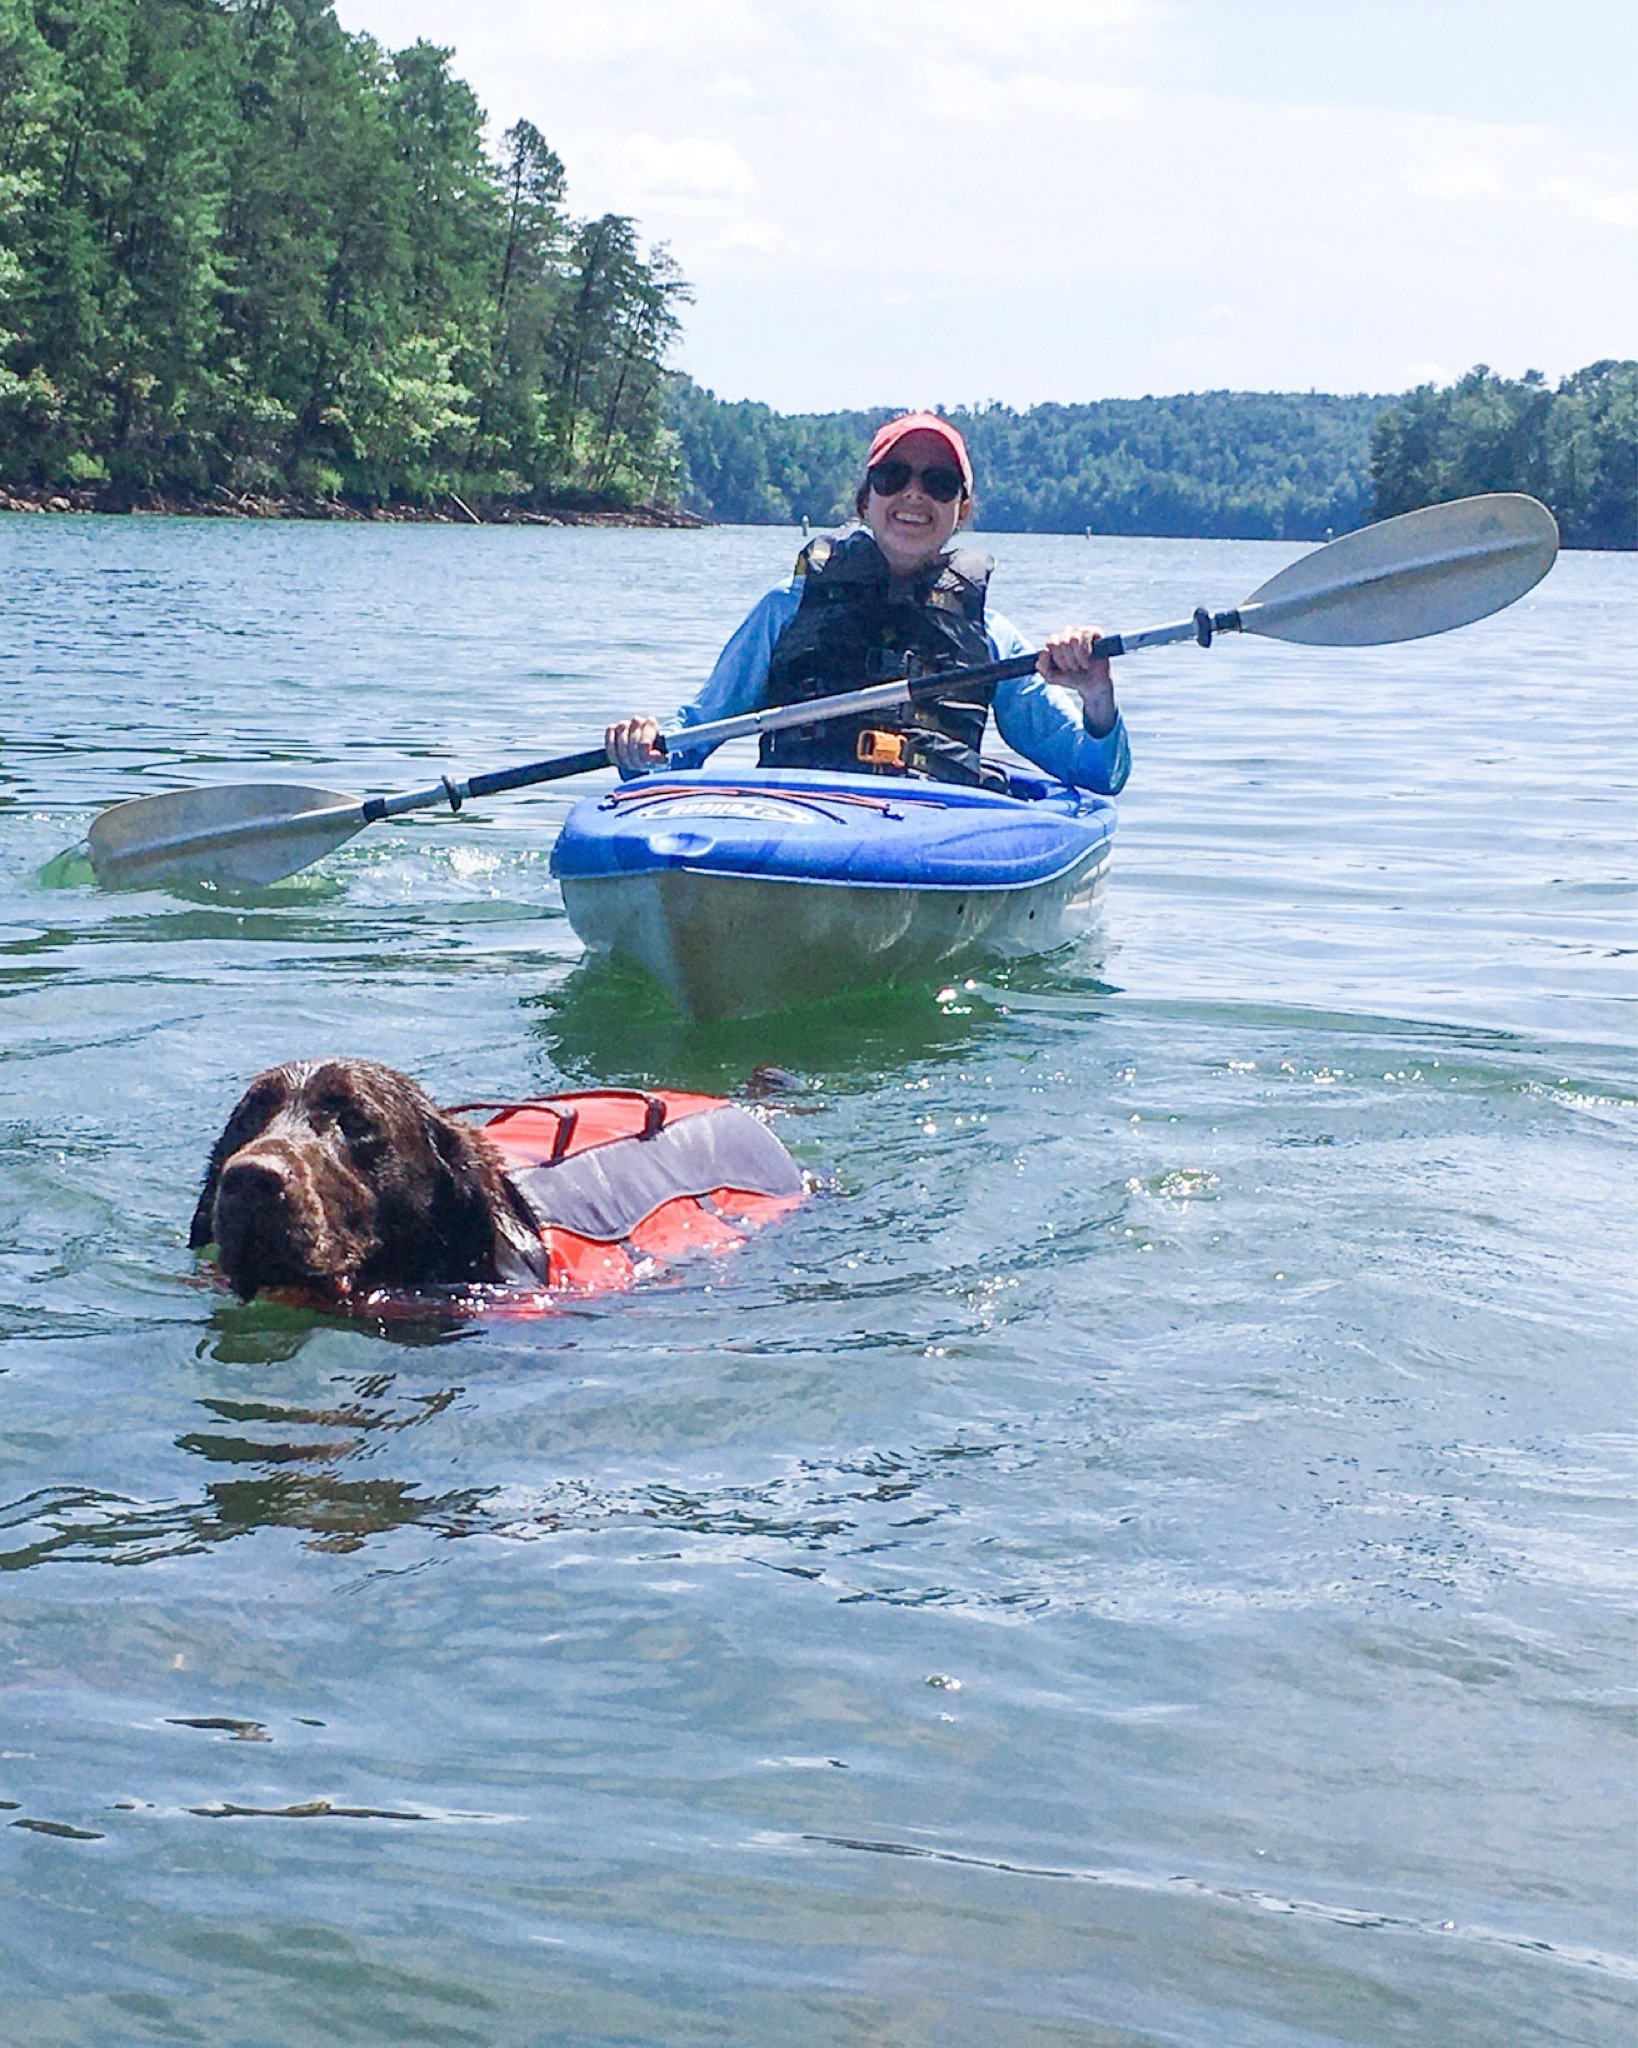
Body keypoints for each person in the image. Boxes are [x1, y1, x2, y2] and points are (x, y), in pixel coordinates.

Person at [605, 412, 1130, 795]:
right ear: (866, 499)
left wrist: (1096, 695)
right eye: (892, 476)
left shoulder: (992, 638)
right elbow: (690, 740)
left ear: (962, 509)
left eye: (939, 483)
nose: (914, 494)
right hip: (801, 816)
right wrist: (643, 747)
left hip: (935, 829)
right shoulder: (786, 609)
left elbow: (1098, 773)